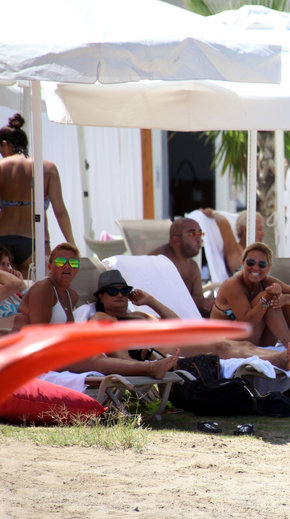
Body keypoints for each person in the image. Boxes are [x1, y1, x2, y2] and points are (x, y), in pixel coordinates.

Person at [91, 269, 290, 372]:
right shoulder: (103, 317)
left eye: (124, 291)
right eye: (113, 291)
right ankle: (289, 359)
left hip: (174, 339)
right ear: (101, 297)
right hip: (156, 352)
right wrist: (138, 368)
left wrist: (151, 300)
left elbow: (176, 323)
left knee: (239, 345)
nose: (120, 295)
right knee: (221, 347)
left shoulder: (139, 315)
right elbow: (116, 351)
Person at [11, 244, 178, 378]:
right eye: (61, 262)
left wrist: (151, 301)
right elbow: (38, 333)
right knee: (93, 360)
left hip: (53, 353)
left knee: (94, 357)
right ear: (50, 266)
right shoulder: (44, 288)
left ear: (77, 269)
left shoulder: (71, 295)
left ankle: (150, 367)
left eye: (73, 263)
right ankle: (150, 368)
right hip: (29, 355)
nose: (67, 266)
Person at [0, 113, 76, 271]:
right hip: (35, 240)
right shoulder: (47, 168)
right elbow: (60, 211)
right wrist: (72, 244)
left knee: (9, 286)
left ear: (5, 145)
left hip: (3, 240)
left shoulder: (2, 167)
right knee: (35, 284)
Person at [211, 242, 290, 350]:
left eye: (262, 264)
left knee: (288, 302)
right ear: (243, 263)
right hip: (227, 344)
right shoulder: (233, 285)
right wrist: (266, 297)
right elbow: (247, 323)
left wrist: (284, 299)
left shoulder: (266, 281)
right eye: (250, 262)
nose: (255, 268)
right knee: (270, 298)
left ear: (268, 268)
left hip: (255, 339)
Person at [148, 217, 214, 317]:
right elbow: (162, 300)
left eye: (200, 233)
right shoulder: (157, 261)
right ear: (176, 239)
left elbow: (199, 302)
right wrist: (203, 303)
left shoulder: (192, 266)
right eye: (192, 233)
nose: (199, 239)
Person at [0, 246, 25, 317]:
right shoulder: (10, 287)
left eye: (8, 265)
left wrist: (22, 286)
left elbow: (31, 307)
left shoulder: (11, 292)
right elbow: (15, 283)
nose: (7, 269)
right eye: (2, 264)